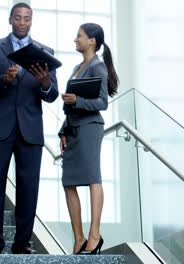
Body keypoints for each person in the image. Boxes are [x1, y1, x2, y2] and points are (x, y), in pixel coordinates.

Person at [0, 2, 59, 254]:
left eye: (27, 19)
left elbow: (52, 94)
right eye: (18, 18)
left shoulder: (45, 52)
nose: (22, 22)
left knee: (28, 187)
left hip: (30, 131)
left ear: (31, 21)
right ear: (10, 19)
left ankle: (22, 242)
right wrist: (5, 80)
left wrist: (45, 83)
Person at [59, 23, 119, 255]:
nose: (76, 39)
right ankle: (79, 238)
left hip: (89, 128)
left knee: (93, 178)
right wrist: (63, 130)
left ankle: (94, 235)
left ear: (92, 41)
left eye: (79, 36)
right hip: (73, 128)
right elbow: (70, 103)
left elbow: (102, 103)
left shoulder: (98, 67)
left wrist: (78, 102)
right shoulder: (78, 66)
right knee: (68, 182)